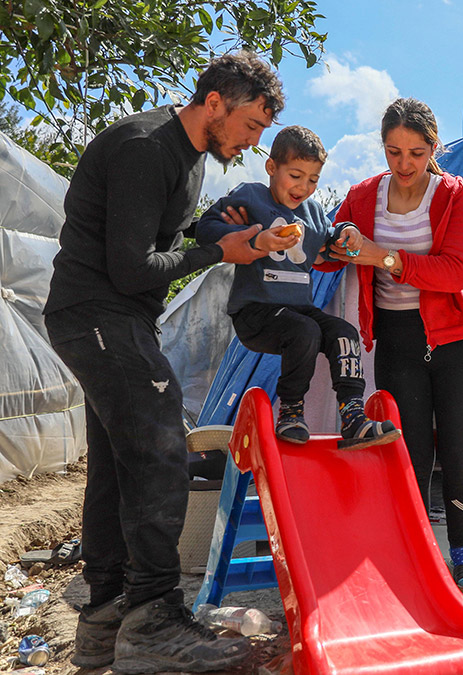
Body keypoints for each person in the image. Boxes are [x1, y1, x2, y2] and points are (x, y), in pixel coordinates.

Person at [43, 51, 282, 673]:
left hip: (112, 318)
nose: (254, 142)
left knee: (122, 465)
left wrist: (217, 235)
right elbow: (130, 268)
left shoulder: (191, 161)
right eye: (251, 125)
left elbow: (155, 246)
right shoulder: (146, 148)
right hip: (99, 314)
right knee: (162, 452)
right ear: (213, 103)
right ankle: (152, 616)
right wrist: (218, 252)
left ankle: (104, 618)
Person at [324, 97, 463, 588]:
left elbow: (456, 271)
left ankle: (461, 549)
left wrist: (384, 257)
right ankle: (416, 549)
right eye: (394, 152)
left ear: (433, 147)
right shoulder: (362, 195)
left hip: (457, 340)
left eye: (416, 153)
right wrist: (330, 241)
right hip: (396, 340)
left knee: (460, 450)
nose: (404, 165)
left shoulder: (455, 196)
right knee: (410, 452)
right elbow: (330, 255)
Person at [195, 125, 399, 448]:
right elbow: (205, 227)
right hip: (256, 312)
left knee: (344, 333)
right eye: (295, 175)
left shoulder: (313, 212)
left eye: (313, 180)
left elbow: (331, 237)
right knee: (305, 330)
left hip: (297, 311)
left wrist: (349, 231)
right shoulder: (251, 196)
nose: (303, 187)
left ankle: (352, 414)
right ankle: (290, 411)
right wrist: (255, 239)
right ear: (272, 168)